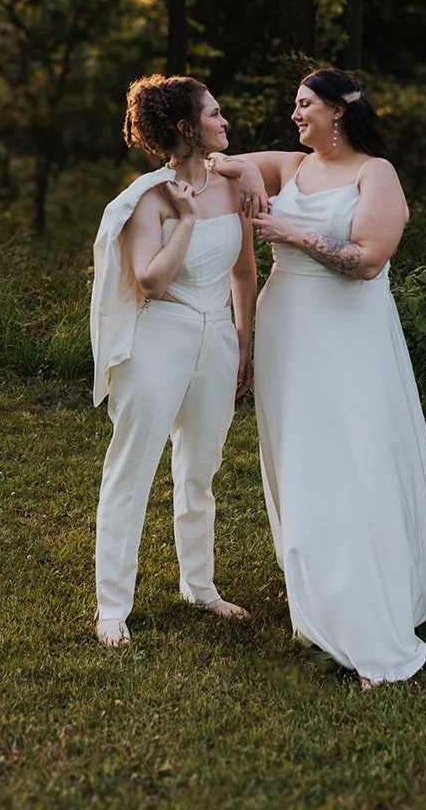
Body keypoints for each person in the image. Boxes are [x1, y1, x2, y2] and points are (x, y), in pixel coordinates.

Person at [212, 67, 426, 686]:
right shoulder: (290, 166)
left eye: (305, 104)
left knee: (358, 459)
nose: (295, 114)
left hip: (352, 336)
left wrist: (293, 232)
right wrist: (251, 171)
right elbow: (216, 159)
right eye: (295, 104)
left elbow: (367, 261)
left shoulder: (376, 173)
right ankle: (322, 595)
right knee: (304, 463)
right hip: (290, 331)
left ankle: (370, 610)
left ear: (338, 111)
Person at [90, 74, 256, 648]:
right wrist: (184, 222)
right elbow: (152, 281)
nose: (224, 119)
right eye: (214, 113)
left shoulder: (233, 185)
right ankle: (113, 606)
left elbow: (243, 270)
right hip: (160, 337)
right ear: (187, 128)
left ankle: (200, 586)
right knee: (132, 469)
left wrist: (244, 340)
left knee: (201, 467)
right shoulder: (149, 197)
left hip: (218, 340)